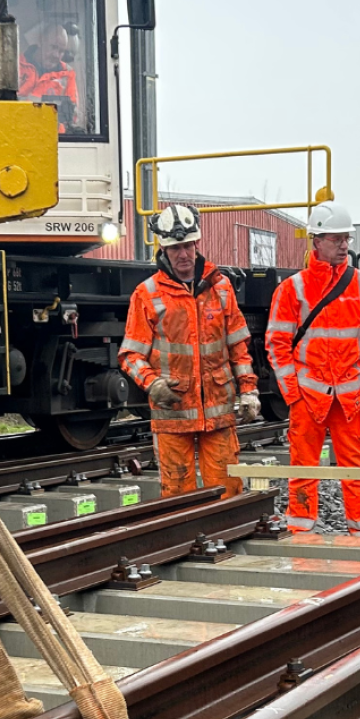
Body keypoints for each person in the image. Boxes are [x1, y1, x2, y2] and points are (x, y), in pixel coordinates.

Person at [265, 200, 360, 535]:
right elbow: (276, 344)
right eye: (336, 239)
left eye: (346, 239)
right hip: (309, 394)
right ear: (316, 241)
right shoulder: (292, 288)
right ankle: (300, 529)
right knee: (303, 467)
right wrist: (293, 394)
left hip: (351, 396)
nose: (344, 245)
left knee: (357, 464)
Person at [119, 204, 261, 499]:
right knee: (176, 497)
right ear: (164, 250)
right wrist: (152, 383)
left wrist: (249, 391)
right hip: (173, 412)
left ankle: (226, 540)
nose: (183, 254)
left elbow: (238, 347)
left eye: (187, 246)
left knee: (227, 492)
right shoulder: (147, 294)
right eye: (175, 248)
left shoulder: (220, 288)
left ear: (197, 243)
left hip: (218, 412)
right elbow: (130, 356)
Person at [18, 23, 80, 132]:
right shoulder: (14, 66)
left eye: (61, 51)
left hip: (54, 140)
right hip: (16, 135)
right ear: (41, 41)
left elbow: (72, 116)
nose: (56, 55)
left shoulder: (67, 73)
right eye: (53, 47)